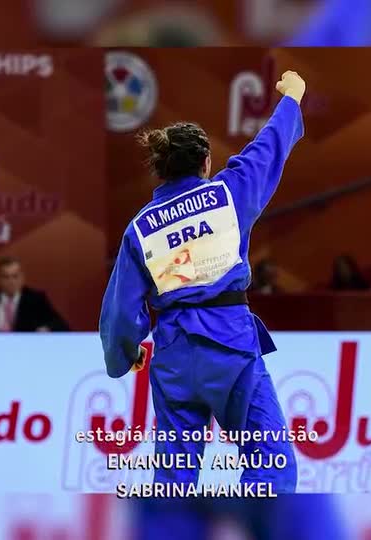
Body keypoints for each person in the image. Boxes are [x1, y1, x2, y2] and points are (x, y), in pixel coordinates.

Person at [99, 70, 307, 494]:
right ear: (206, 162)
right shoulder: (227, 196)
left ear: (161, 170)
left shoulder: (139, 229)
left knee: (174, 481)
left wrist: (127, 352)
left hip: (173, 355)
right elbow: (268, 149)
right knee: (272, 467)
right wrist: (293, 97)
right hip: (229, 345)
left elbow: (120, 309)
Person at [0, 256, 69, 332]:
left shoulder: (36, 299)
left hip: (25, 351)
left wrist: (47, 328)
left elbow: (61, 325)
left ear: (22, 277)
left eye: (15, 276)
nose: (11, 281)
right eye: (6, 277)